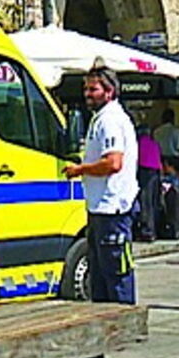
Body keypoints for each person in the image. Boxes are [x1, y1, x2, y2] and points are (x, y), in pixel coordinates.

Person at [63, 65, 138, 304]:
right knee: (101, 280)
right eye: (86, 88)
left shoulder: (110, 120)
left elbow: (113, 162)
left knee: (115, 278)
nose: (87, 94)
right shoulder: (102, 118)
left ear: (109, 91)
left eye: (93, 89)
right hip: (101, 209)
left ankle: (123, 321)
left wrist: (80, 170)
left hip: (111, 210)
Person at [135, 124, 162, 241]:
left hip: (144, 172)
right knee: (153, 201)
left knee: (145, 202)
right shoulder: (154, 143)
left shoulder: (138, 143)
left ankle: (147, 230)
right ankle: (154, 229)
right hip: (155, 172)